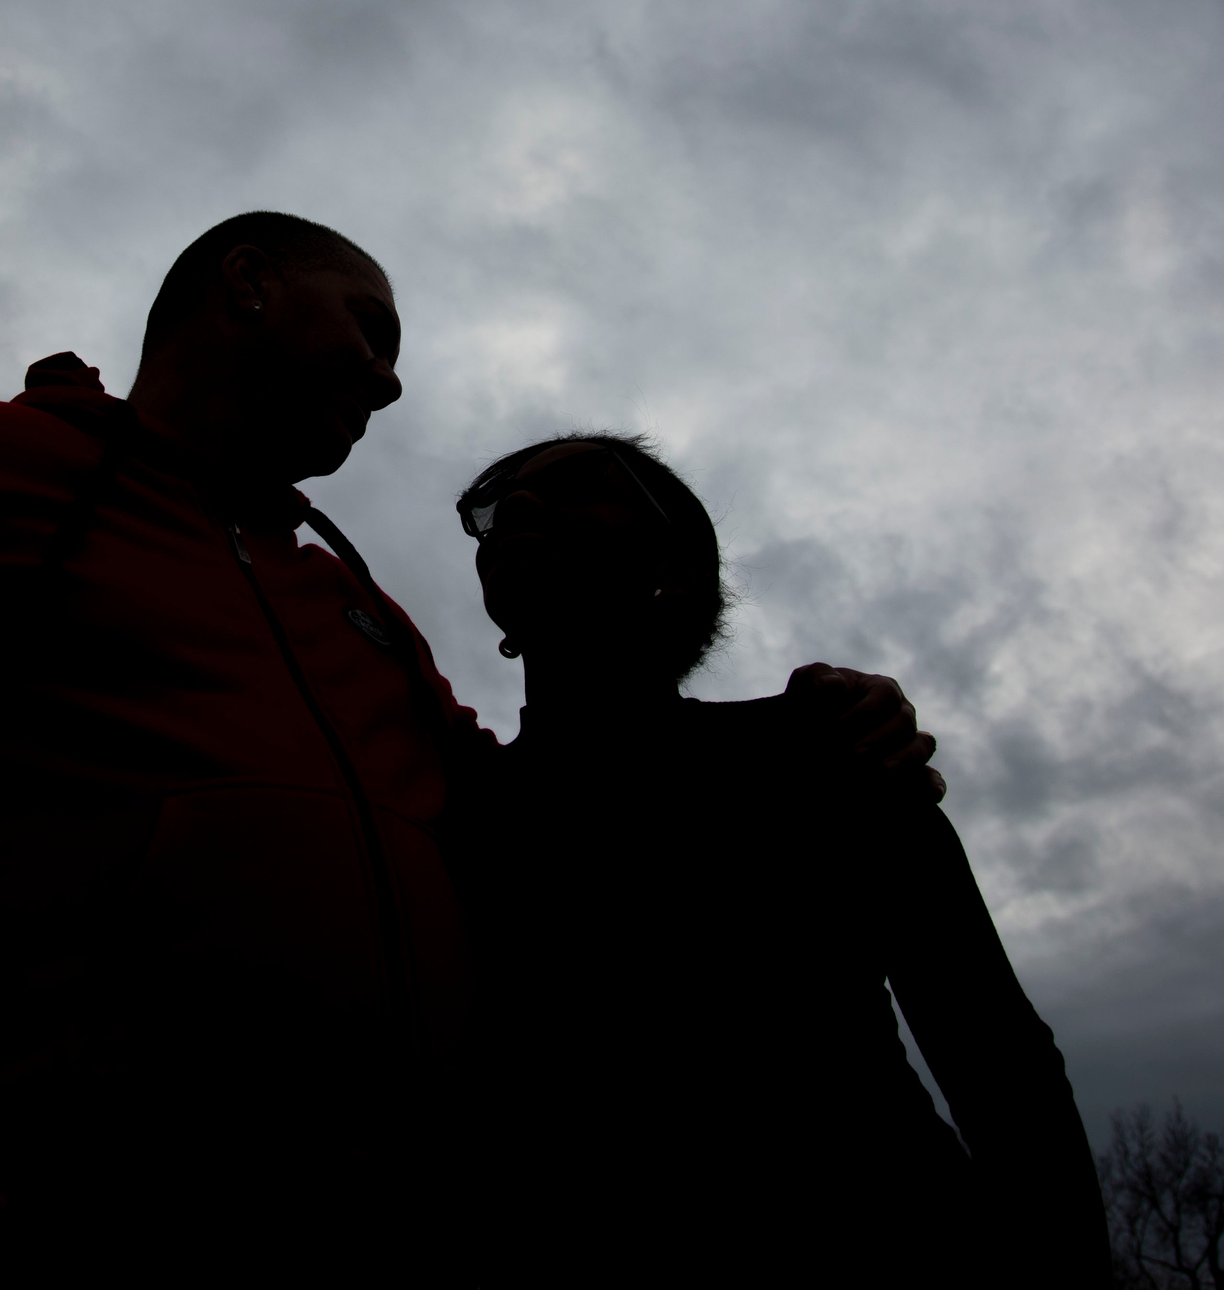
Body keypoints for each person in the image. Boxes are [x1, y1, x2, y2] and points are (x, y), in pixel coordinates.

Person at [0, 213, 937, 1285]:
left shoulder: (356, 607)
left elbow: (529, 814)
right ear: (249, 285)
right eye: (370, 328)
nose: (390, 385)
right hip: (36, 1229)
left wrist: (797, 728)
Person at [444, 433, 1108, 1286]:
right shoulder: (450, 808)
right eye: (498, 508)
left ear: (675, 573)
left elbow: (999, 1059)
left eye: (577, 486)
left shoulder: (826, 753)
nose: (522, 510)